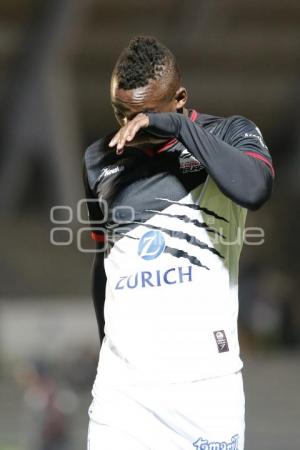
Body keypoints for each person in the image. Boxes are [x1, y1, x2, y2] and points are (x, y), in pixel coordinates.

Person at [82, 35, 274, 450]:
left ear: (179, 98)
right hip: (123, 392)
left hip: (203, 388)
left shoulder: (228, 133)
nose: (132, 129)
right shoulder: (99, 158)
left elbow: (255, 188)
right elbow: (104, 260)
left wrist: (179, 128)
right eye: (121, 114)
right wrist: (106, 349)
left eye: (145, 116)